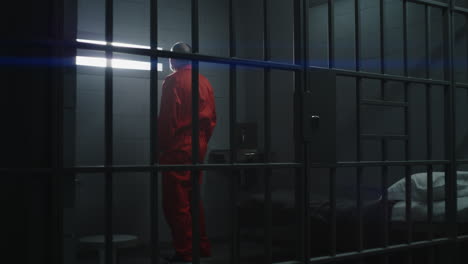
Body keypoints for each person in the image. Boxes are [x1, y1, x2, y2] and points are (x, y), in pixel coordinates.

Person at [158, 42, 217, 263]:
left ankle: (184, 252)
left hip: (178, 145)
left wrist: (163, 148)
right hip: (199, 145)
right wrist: (201, 142)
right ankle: (201, 247)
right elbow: (212, 120)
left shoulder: (173, 81)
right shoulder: (204, 82)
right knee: (194, 200)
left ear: (173, 59)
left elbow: (167, 120)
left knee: (176, 202)